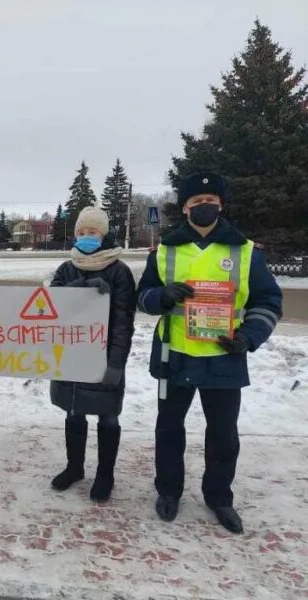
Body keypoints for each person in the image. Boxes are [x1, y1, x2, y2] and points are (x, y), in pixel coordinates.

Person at [137, 172, 282, 534]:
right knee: (169, 430)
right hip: (175, 357)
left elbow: (268, 301)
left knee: (223, 434)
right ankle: (169, 491)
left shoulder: (245, 252)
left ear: (221, 205)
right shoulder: (165, 251)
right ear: (185, 207)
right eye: (196, 201)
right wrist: (161, 296)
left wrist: (249, 337)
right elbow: (143, 298)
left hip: (224, 357)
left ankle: (219, 498)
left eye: (211, 201)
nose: (205, 207)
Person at [48, 207, 136, 501]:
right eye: (82, 233)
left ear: (104, 234)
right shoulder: (67, 268)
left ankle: (105, 475)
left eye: (93, 232)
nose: (86, 237)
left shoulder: (119, 271)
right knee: (74, 412)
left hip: (105, 356)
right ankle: (74, 467)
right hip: (72, 354)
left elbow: (124, 322)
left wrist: (116, 363)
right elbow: (53, 305)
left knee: (108, 418)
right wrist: (79, 288)